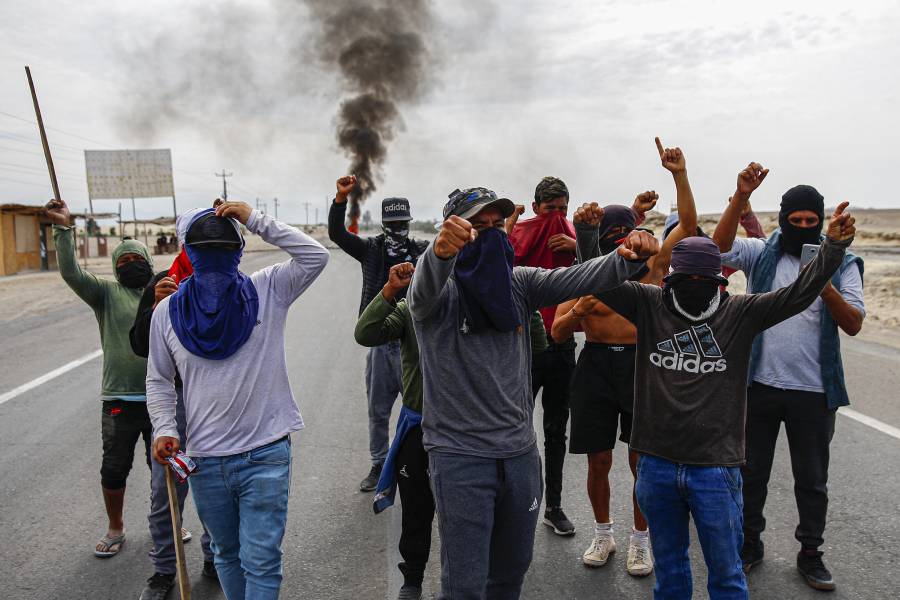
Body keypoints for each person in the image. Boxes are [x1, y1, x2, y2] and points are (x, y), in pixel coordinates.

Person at [592, 165, 857, 600]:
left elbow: (800, 293)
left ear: (721, 280)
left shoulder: (741, 312)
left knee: (728, 575)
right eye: (683, 281)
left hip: (715, 468)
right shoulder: (650, 303)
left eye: (704, 281)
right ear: (668, 279)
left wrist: (834, 247)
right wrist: (589, 237)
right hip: (656, 465)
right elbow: (600, 282)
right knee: (671, 575)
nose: (693, 288)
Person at [407, 186, 660, 599]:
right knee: (465, 582)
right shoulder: (439, 294)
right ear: (454, 231)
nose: (489, 234)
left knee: (511, 573)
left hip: (520, 454)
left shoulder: (518, 284)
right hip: (460, 456)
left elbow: (581, 276)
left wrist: (626, 258)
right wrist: (438, 255)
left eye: (496, 225)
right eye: (476, 226)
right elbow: (421, 292)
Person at [147, 201, 329, 599]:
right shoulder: (166, 313)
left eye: (225, 247)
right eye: (203, 247)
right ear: (187, 252)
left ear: (239, 250)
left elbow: (315, 255)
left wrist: (254, 218)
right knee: (227, 555)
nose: (215, 257)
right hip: (206, 461)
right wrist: (164, 427)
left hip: (265, 454)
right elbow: (159, 380)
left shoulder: (268, 289)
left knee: (261, 560)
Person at [551, 138, 697, 576]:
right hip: (595, 365)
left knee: (641, 460)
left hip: (641, 364)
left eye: (627, 238)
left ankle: (639, 541)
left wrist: (679, 175)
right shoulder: (588, 275)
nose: (624, 249)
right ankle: (603, 534)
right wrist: (581, 309)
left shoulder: (653, 267)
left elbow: (688, 226)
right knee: (598, 458)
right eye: (612, 241)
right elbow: (557, 331)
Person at [713, 172, 865, 591]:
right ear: (781, 220)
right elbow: (720, 246)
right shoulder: (762, 253)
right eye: (794, 221)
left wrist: (822, 279)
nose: (803, 228)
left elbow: (852, 324)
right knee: (750, 472)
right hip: (758, 384)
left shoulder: (846, 262)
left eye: (810, 221)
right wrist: (741, 197)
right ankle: (749, 545)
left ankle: (811, 554)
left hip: (814, 392)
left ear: (820, 221)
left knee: (812, 480)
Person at [504, 176, 657, 536]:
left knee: (557, 431)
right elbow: (501, 266)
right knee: (513, 429)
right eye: (549, 210)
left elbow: (610, 249)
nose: (556, 216)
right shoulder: (522, 234)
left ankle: (554, 506)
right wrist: (509, 227)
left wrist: (578, 240)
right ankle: (515, 506)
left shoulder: (576, 237)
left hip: (565, 351)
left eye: (562, 209)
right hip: (523, 342)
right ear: (537, 207)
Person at [44, 197, 158, 559]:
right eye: (122, 261)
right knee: (113, 468)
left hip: (163, 399)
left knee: (164, 468)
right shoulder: (106, 295)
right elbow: (70, 274)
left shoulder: (165, 290)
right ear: (114, 268)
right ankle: (116, 527)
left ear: (149, 262)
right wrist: (63, 229)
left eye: (136, 259)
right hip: (119, 401)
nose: (130, 264)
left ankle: (168, 522)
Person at [130, 219, 217, 599]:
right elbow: (139, 344)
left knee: (215, 485)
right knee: (164, 492)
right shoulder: (165, 279)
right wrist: (156, 306)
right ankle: (165, 569)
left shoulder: (226, 280)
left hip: (215, 402)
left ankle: (216, 557)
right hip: (177, 402)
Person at [329, 175, 430, 492]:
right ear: (384, 223)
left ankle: (422, 463)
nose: (398, 227)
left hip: (414, 346)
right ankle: (378, 465)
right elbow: (337, 234)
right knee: (378, 411)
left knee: (421, 410)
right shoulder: (371, 249)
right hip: (382, 345)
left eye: (403, 221)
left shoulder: (422, 251)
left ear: (409, 222)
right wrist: (340, 200)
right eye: (393, 222)